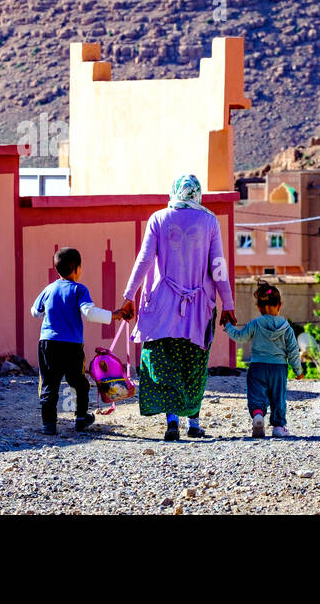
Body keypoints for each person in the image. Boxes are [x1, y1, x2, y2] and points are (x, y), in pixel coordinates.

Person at [121, 174, 236, 442]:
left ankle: (172, 418)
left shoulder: (158, 219)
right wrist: (227, 303)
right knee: (194, 363)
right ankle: (193, 422)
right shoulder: (209, 221)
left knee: (163, 362)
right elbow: (217, 265)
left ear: (174, 192)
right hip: (199, 307)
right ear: (197, 194)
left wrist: (129, 295)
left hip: (162, 306)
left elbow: (145, 260)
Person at [30, 246, 128, 435]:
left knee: (49, 383)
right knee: (79, 382)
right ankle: (81, 417)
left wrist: (48, 311)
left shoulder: (49, 289)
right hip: (72, 346)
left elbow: (35, 311)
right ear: (76, 269)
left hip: (48, 343)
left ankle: (48, 424)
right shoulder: (79, 290)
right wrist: (114, 315)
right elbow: (89, 313)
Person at [224, 282, 303, 438]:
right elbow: (293, 350)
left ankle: (258, 414)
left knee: (256, 394)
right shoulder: (286, 327)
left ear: (259, 307)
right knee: (278, 397)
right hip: (279, 368)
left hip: (257, 366)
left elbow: (240, 337)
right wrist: (298, 370)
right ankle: (279, 427)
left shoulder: (255, 324)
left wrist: (227, 326)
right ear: (279, 305)